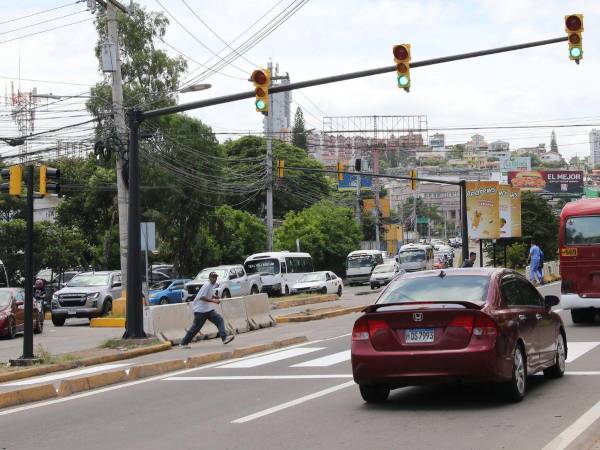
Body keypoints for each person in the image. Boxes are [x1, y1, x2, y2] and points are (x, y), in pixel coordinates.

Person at [180, 271, 234, 348]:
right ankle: (184, 343)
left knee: (219, 320)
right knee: (195, 328)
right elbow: (202, 297)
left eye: (215, 277)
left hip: (207, 310)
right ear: (209, 278)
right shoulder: (207, 285)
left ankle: (224, 338)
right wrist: (214, 301)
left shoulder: (211, 285)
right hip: (200, 310)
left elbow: (210, 293)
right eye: (213, 277)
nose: (214, 279)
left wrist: (215, 296)